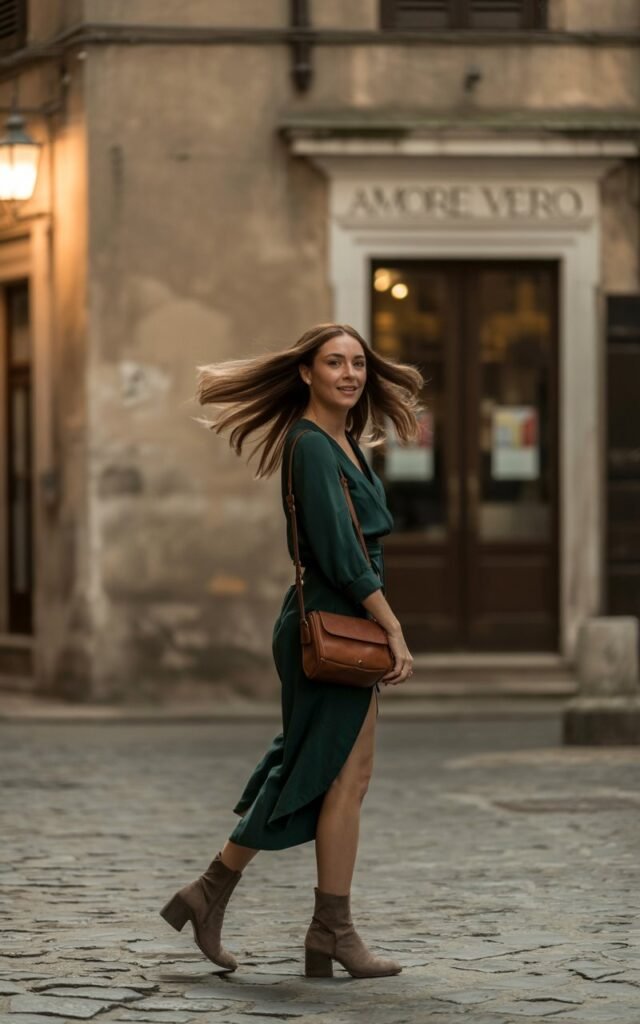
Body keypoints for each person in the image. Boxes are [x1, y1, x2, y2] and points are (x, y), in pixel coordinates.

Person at [160, 322, 423, 978]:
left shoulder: (343, 441)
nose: (350, 374)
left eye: (357, 363)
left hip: (340, 621)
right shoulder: (310, 445)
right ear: (306, 372)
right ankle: (309, 923)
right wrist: (392, 628)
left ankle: (289, 917)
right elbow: (341, 554)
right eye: (334, 362)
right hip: (335, 624)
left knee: (342, 777)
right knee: (321, 773)